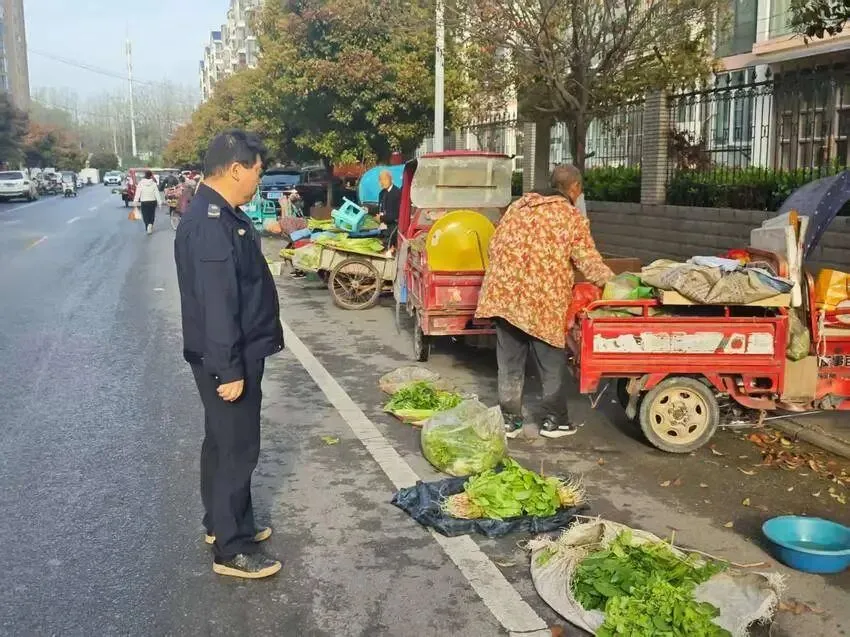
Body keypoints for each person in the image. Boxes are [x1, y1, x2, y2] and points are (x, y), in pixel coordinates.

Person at [174, 130, 284, 579]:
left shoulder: (217, 215)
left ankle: (224, 521)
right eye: (257, 171)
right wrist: (229, 369)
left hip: (229, 353)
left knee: (221, 441)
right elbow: (218, 304)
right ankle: (231, 548)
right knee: (238, 448)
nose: (258, 180)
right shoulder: (211, 223)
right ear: (236, 169)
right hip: (227, 357)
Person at [476, 164, 614, 440]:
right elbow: (589, 264)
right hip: (543, 303)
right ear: (574, 188)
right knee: (550, 365)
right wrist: (617, 285)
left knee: (510, 365)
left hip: (503, 297)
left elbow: (494, 246)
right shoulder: (569, 217)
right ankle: (554, 421)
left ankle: (509, 422)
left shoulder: (518, 208)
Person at [133, 170, 163, 235]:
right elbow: (157, 194)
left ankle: (147, 226)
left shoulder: (140, 183)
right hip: (152, 201)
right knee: (152, 214)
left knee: (145, 215)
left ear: (145, 175)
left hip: (144, 201)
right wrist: (160, 203)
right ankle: (151, 224)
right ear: (150, 176)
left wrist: (135, 201)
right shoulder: (154, 184)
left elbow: (138, 193)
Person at [377, 170, 401, 249]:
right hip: (383, 226)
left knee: (387, 246)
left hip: (393, 227)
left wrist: (381, 218)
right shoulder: (382, 193)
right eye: (380, 180)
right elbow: (380, 208)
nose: (382, 182)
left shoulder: (397, 193)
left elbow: (395, 215)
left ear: (391, 179)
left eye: (385, 179)